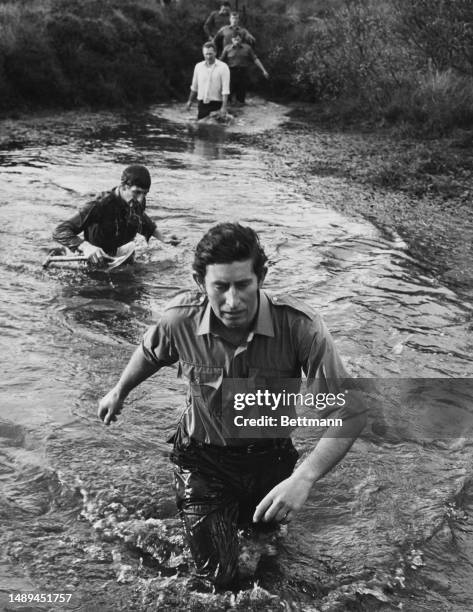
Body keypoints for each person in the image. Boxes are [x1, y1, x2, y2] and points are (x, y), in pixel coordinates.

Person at [98, 222, 366, 589]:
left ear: (262, 277)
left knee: (262, 558)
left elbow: (349, 411)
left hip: (270, 462)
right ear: (199, 282)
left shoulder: (301, 328)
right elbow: (150, 352)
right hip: (202, 461)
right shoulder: (180, 320)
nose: (232, 301)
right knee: (217, 580)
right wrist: (119, 391)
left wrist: (304, 478)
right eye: (219, 287)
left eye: (243, 285)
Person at [53, 165, 179, 265]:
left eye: (145, 194)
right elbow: (60, 230)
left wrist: (162, 237)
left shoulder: (136, 201)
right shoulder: (99, 205)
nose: (141, 199)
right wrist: (86, 247)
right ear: (123, 186)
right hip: (95, 256)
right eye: (137, 192)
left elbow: (141, 218)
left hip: (121, 254)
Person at [220, 30, 269, 104]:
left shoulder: (247, 48)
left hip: (243, 72)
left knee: (241, 94)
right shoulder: (227, 48)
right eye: (235, 39)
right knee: (229, 92)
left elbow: (255, 59)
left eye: (238, 39)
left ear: (241, 39)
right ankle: (228, 107)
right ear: (232, 39)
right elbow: (221, 61)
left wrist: (264, 70)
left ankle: (240, 106)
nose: (237, 41)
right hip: (231, 72)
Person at [186, 42, 230, 120]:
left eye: (210, 54)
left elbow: (225, 90)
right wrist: (189, 101)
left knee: (214, 128)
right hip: (202, 103)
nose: (208, 56)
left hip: (217, 103)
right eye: (206, 54)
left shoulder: (223, 67)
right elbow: (194, 87)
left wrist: (223, 107)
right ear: (203, 53)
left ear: (215, 53)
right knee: (202, 127)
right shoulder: (198, 66)